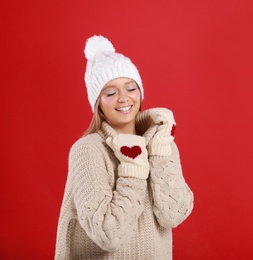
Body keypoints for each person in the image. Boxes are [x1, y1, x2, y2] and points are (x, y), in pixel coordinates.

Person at [55, 35, 194, 259]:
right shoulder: (87, 150)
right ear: (98, 102)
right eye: (110, 92)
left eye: (130, 88)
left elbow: (174, 215)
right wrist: (133, 169)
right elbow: (108, 234)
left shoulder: (162, 144)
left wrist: (158, 150)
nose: (123, 98)